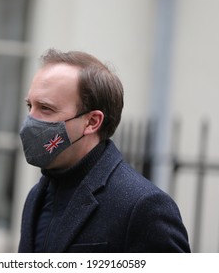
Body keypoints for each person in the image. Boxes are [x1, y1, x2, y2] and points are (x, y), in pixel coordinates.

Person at [18, 48, 190, 253]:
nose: (31, 120)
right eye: (30, 106)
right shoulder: (36, 197)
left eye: (46, 108)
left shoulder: (143, 206)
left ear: (92, 121)